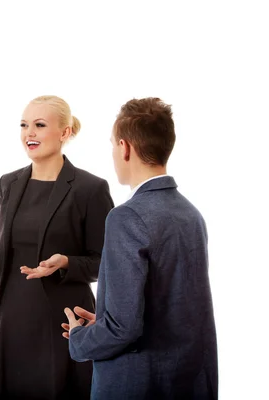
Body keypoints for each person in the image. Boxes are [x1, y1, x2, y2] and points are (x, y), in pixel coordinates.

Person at [0, 95, 114, 399]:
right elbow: (19, 252)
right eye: (24, 125)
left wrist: (66, 262)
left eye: (40, 125)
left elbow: (105, 262)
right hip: (9, 317)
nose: (29, 133)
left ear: (65, 132)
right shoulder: (9, 183)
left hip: (62, 320)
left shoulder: (90, 189)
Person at [64, 98, 218, 399]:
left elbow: (123, 329)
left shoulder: (126, 217)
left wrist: (81, 338)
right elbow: (175, 309)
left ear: (125, 148)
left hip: (137, 385)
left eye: (111, 145)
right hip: (187, 383)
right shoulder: (191, 214)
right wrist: (106, 319)